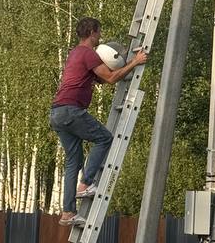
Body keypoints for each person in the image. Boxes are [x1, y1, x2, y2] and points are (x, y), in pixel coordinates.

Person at [49, 17, 148, 226]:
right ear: (92, 32)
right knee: (104, 138)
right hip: (71, 111)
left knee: (73, 161)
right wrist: (135, 62)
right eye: (99, 32)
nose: (100, 36)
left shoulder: (75, 53)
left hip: (57, 113)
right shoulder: (88, 54)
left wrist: (123, 65)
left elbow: (102, 78)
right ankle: (86, 184)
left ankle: (68, 213)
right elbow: (111, 78)